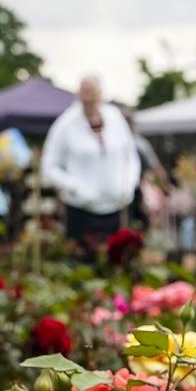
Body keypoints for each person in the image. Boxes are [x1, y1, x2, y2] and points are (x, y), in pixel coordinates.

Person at [41, 77, 141, 259]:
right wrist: (76, 187)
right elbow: (49, 167)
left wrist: (128, 185)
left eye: (93, 92)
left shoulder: (115, 118)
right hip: (81, 210)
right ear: (78, 95)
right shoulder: (65, 124)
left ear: (101, 94)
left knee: (119, 261)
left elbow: (131, 157)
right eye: (85, 92)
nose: (89, 97)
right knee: (82, 262)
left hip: (118, 207)